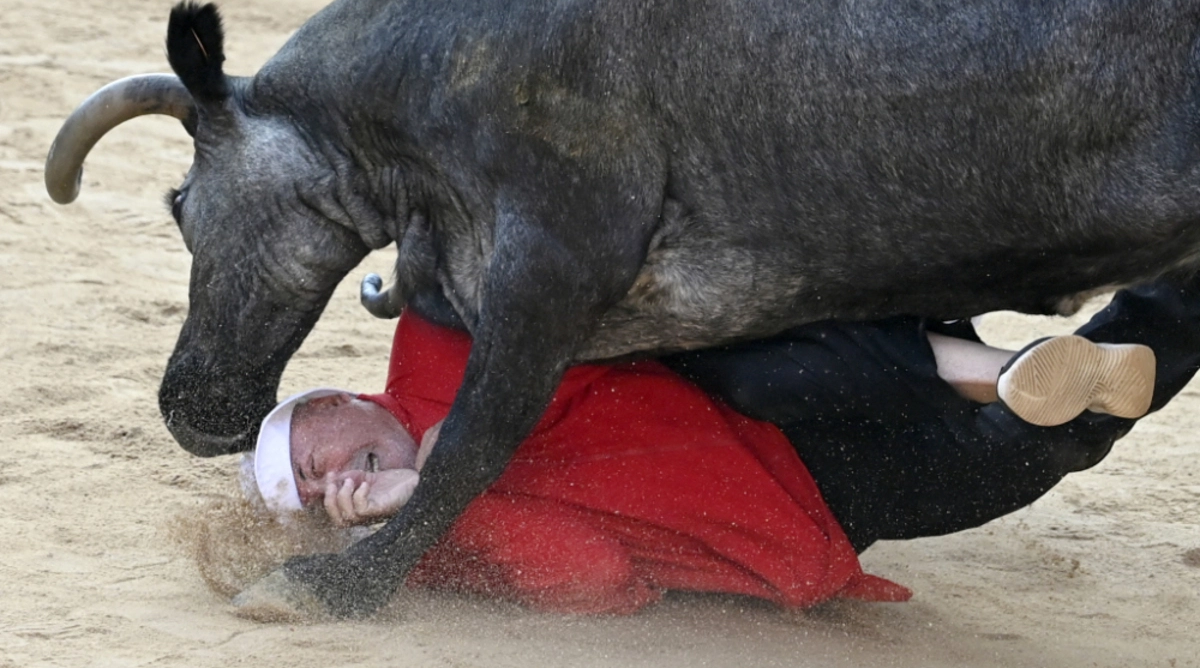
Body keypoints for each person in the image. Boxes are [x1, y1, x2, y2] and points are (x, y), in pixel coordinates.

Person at [245, 276, 1200, 614]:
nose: (322, 474)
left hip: (770, 376)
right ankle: (1137, 319)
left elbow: (571, 323)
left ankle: (1002, 362)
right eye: (306, 489)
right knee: (1054, 440)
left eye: (307, 445)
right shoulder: (437, 543)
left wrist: (464, 437)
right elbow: (597, 576)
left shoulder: (435, 330)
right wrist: (439, 495)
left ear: (335, 397)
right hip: (820, 509)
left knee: (768, 368)